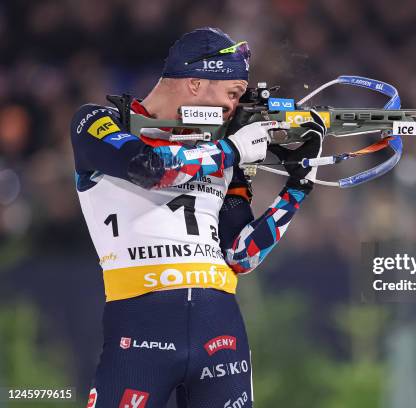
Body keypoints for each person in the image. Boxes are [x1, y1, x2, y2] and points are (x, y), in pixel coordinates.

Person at [70, 27, 326, 408]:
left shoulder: (221, 153)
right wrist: (232, 150)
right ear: (194, 83)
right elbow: (146, 166)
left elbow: (241, 256)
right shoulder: (100, 120)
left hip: (218, 325)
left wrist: (299, 186)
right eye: (233, 93)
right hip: (140, 323)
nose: (236, 108)